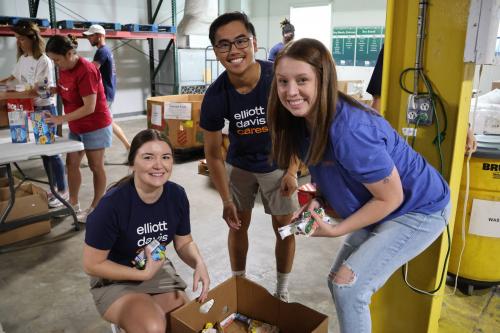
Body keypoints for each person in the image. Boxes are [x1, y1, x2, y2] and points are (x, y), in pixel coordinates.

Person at [268, 38, 451, 332]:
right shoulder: (300, 123)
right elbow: (330, 175)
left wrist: (337, 229)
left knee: (349, 287)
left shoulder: (350, 130)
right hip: (380, 203)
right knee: (335, 281)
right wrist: (319, 202)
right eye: (282, 81)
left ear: (323, 80)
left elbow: (390, 198)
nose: (290, 92)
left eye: (302, 80)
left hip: (418, 209)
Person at [201, 12, 299, 302]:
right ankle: (239, 284)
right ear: (216, 51)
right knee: (237, 224)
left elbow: (296, 129)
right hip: (240, 165)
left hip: (278, 164)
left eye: (241, 40)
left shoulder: (278, 79)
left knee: (285, 227)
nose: (233, 51)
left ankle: (281, 290)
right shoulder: (216, 95)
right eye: (223, 44)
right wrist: (226, 200)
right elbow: (212, 154)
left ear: (254, 43)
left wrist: (292, 171)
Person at [83, 129, 210, 332]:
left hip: (155, 268)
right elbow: (92, 264)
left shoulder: (176, 195)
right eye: (148, 157)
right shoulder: (112, 205)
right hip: (114, 278)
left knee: (184, 324)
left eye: (165, 157)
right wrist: (141, 274)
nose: (159, 165)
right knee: (152, 327)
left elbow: (184, 241)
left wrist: (199, 262)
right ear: (132, 162)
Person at [0, 20, 68, 208]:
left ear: (32, 39)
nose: (18, 43)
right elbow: (14, 78)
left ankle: (63, 191)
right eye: (17, 39)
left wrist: (6, 93)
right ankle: (54, 188)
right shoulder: (23, 59)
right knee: (43, 152)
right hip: (29, 108)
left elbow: (35, 91)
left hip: (43, 110)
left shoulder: (43, 61)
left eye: (21, 39)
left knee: (50, 153)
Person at [45, 35, 113, 223]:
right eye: (53, 61)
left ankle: (97, 207)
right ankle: (73, 203)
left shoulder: (86, 69)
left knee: (95, 166)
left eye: (57, 60)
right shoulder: (64, 68)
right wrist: (55, 90)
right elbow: (67, 87)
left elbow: (89, 107)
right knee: (72, 164)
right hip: (77, 125)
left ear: (69, 54)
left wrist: (60, 119)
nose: (56, 64)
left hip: (95, 125)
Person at [367, 44, 477, 154]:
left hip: (437, 139)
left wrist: (465, 128)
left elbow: (456, 98)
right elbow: (378, 98)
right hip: (394, 139)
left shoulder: (454, 45)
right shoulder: (393, 46)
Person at [83, 24, 131, 152]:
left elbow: (91, 71)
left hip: (103, 94)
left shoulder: (102, 51)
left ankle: (93, 154)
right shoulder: (106, 51)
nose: (89, 39)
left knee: (94, 124)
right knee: (108, 121)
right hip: (107, 93)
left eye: (91, 36)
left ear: (99, 36)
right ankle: (129, 147)